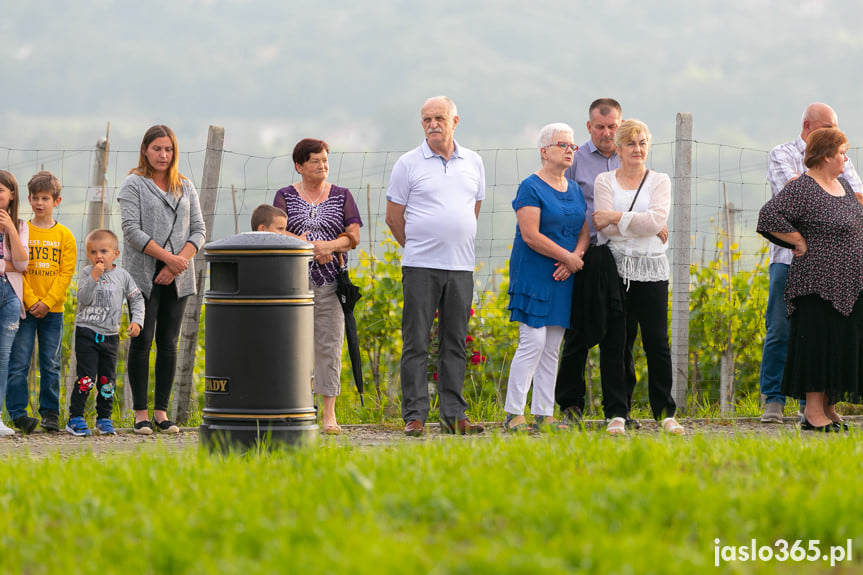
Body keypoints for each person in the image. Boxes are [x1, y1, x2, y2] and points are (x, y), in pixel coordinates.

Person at [385, 95, 486, 436]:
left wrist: (452, 236)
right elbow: (393, 218)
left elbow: (473, 208)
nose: (432, 125)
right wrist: (420, 245)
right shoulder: (408, 164)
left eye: (439, 118)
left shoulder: (473, 162)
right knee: (416, 341)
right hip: (421, 267)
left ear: (454, 121)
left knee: (455, 341)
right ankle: (414, 416)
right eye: (426, 119)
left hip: (460, 267)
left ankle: (453, 415)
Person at [758, 103, 863, 424]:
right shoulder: (783, 155)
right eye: (827, 127)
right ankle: (774, 400)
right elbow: (788, 194)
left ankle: (819, 406)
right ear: (809, 127)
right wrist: (798, 239)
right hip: (797, 265)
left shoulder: (840, 178)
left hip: (843, 276)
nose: (845, 156)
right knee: (783, 331)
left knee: (834, 339)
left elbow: (858, 198)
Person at [592, 119, 683, 435]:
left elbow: (657, 219)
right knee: (616, 342)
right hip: (615, 269)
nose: (637, 149)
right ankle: (616, 412)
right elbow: (603, 227)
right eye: (630, 143)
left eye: (642, 142)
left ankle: (665, 413)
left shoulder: (660, 180)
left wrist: (617, 216)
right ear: (618, 148)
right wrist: (642, 223)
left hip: (652, 268)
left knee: (657, 342)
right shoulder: (604, 180)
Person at [118, 125, 206, 435]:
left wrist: (177, 262)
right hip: (143, 275)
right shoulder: (134, 184)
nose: (163, 155)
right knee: (142, 341)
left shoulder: (185, 186)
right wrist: (167, 258)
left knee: (168, 343)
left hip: (178, 277)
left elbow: (199, 230)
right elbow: (131, 230)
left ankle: (161, 413)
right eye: (157, 148)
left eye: (168, 149)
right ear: (145, 149)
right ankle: (140, 414)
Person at [503, 123, 588, 432]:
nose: (569, 150)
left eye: (572, 146)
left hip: (564, 274)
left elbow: (584, 231)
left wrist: (574, 257)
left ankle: (543, 413)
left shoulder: (576, 189)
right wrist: (565, 257)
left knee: (552, 345)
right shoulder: (531, 187)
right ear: (544, 151)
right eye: (562, 145)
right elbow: (530, 235)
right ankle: (514, 413)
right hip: (535, 273)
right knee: (533, 341)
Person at [273, 139, 362, 435]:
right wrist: (308, 246)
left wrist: (328, 246)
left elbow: (353, 236)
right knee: (291, 347)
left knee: (330, 345)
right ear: (299, 166)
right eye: (314, 161)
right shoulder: (284, 196)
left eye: (324, 160)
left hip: (331, 282)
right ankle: (295, 408)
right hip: (293, 283)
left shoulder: (342, 195)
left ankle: (328, 415)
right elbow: (277, 231)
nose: (321, 165)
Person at [554, 98, 632, 429]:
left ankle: (619, 409)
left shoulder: (630, 156)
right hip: (584, 256)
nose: (606, 133)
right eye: (600, 127)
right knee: (578, 331)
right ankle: (571, 406)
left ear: (620, 125)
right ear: (589, 127)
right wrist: (568, 254)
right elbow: (562, 203)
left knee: (622, 336)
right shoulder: (575, 159)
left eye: (612, 126)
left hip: (624, 257)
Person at [6, 171, 75, 434]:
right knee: (19, 361)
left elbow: (65, 273)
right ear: (28, 198)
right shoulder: (22, 229)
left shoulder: (64, 236)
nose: (39, 203)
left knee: (51, 362)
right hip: (25, 309)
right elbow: (18, 269)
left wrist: (47, 301)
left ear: (57, 201)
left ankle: (50, 413)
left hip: (53, 310)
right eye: (35, 197)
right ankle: (17, 413)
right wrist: (33, 300)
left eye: (45, 198)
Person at [65, 229, 144, 436]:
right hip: (87, 333)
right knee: (87, 378)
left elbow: (136, 298)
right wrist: (93, 277)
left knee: (107, 381)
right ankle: (75, 417)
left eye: (104, 251)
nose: (98, 256)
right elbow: (83, 298)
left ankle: (104, 418)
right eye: (93, 252)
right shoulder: (86, 273)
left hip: (110, 336)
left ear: (115, 254)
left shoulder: (123, 276)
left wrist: (137, 321)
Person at [0, 170, 30, 436]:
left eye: (0, 191)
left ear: (11, 196)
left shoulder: (20, 226)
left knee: (4, 357)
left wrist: (9, 228)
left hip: (10, 295)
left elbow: (22, 264)